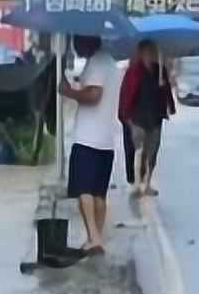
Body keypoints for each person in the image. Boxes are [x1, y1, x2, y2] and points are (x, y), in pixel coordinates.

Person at [60, 35, 121, 255]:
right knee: (98, 194)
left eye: (76, 43)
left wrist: (69, 92)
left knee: (83, 191)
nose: (75, 48)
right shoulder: (110, 62)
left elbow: (94, 94)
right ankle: (97, 238)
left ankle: (94, 238)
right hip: (106, 140)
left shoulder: (96, 62)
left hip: (88, 138)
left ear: (86, 41)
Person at [118, 39, 175, 196]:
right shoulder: (134, 71)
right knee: (139, 151)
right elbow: (126, 94)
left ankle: (147, 183)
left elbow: (167, 91)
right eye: (147, 52)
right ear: (140, 54)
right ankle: (136, 184)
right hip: (138, 117)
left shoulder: (160, 71)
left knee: (152, 153)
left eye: (153, 52)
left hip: (156, 117)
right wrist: (125, 116)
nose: (150, 55)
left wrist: (168, 100)